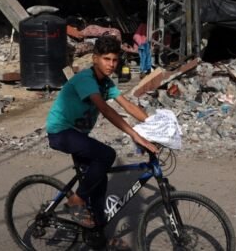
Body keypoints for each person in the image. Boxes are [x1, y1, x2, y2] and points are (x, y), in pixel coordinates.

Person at [46, 35, 159, 235]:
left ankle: (97, 235)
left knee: (99, 181)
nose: (111, 64)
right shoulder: (86, 79)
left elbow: (128, 105)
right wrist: (135, 135)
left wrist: (156, 126)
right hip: (61, 132)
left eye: (115, 60)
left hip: (78, 134)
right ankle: (76, 200)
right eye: (106, 59)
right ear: (95, 58)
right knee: (106, 155)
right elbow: (106, 110)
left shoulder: (106, 83)